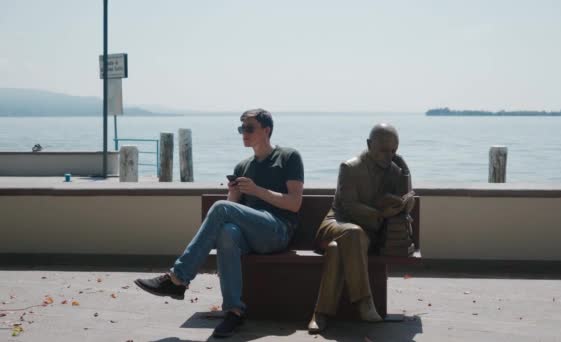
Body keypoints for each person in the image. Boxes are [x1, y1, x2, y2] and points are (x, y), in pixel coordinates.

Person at [134, 108, 304, 338]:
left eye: (249, 128)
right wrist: (233, 194)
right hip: (249, 235)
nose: (244, 132)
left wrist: (257, 191)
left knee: (222, 210)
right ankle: (234, 311)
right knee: (226, 232)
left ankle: (178, 278)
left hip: (277, 231)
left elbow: (294, 203)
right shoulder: (242, 167)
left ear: (267, 130)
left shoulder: (288, 157)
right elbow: (230, 208)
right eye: (241, 128)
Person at [308, 123, 415, 333]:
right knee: (352, 234)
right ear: (369, 144)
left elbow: (406, 202)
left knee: (336, 249)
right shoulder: (350, 167)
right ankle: (364, 302)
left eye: (394, 151)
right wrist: (380, 214)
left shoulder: (394, 170)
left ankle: (320, 314)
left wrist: (405, 173)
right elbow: (349, 206)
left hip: (366, 236)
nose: (389, 156)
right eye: (383, 150)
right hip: (336, 225)